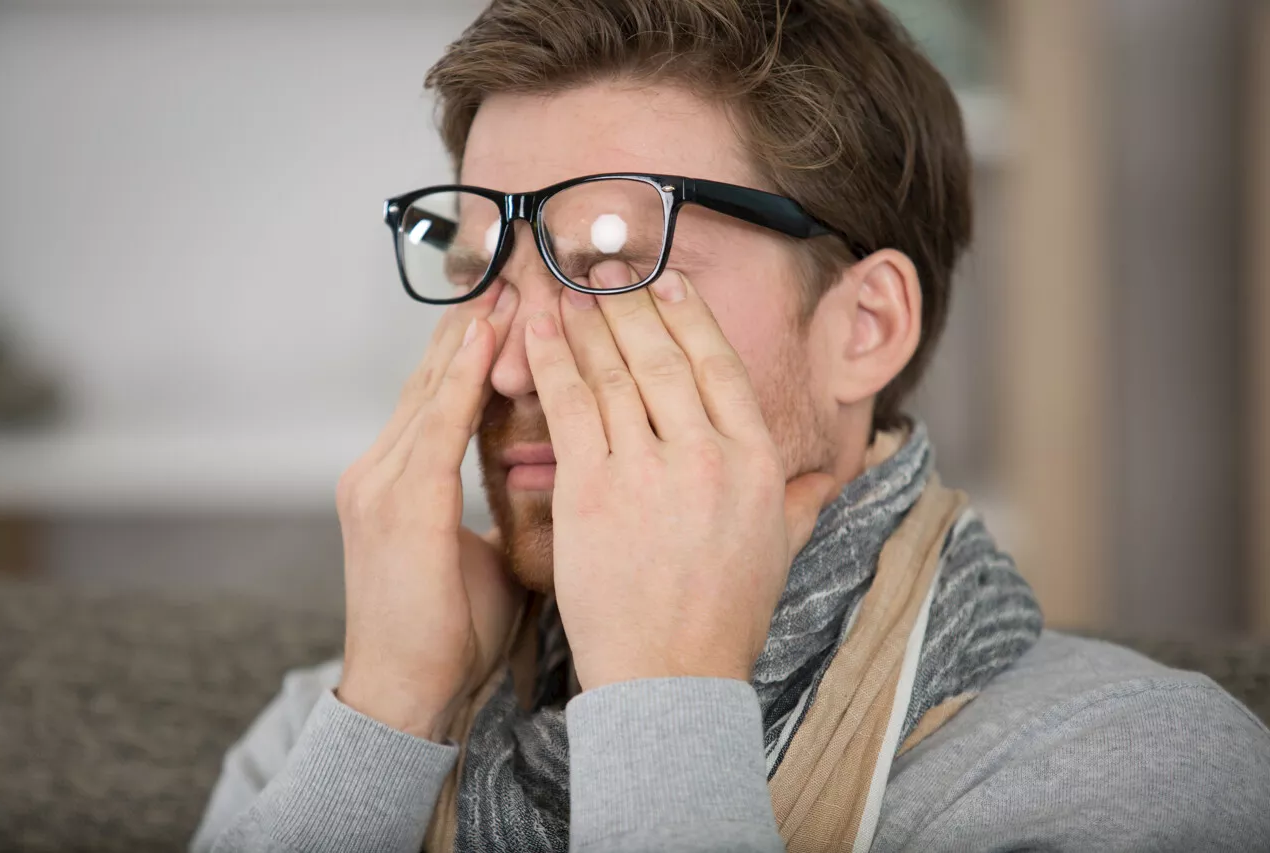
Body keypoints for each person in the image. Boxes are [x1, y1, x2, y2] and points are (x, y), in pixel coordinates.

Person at [190, 1, 1270, 851]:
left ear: (864, 327)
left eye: (613, 259)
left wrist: (662, 701)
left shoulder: (1126, 772)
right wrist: (380, 721)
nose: (511, 359)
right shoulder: (334, 731)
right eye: (479, 268)